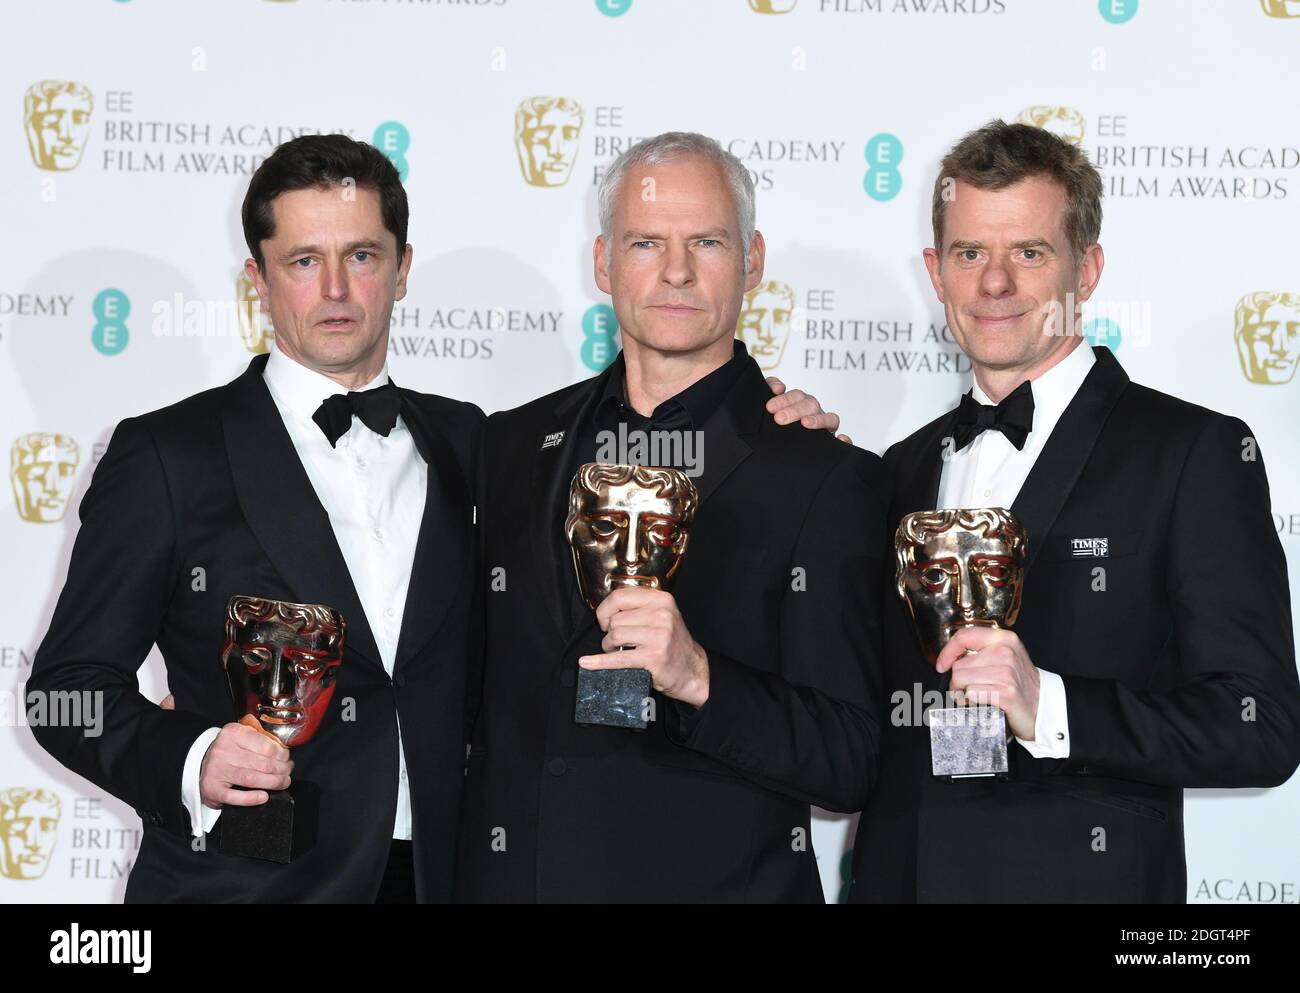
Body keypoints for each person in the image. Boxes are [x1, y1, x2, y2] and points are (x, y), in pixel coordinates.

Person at [28, 134, 839, 904]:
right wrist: (192, 754)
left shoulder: (474, 442)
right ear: (258, 277)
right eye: (304, 261)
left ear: (404, 269)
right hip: (245, 883)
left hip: (443, 881)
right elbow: (65, 690)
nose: (337, 290)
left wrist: (773, 422)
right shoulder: (168, 455)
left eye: (363, 257)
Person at [850, 120, 1300, 903]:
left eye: (1028, 253)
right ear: (935, 270)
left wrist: (1050, 705)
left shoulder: (1192, 454)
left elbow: (1258, 727)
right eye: (969, 254)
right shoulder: (896, 472)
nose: (995, 283)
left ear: (1085, 269)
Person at [455, 132, 890, 903]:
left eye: (708, 242)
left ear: (752, 261)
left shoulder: (828, 476)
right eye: (647, 241)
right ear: (603, 262)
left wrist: (698, 676)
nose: (677, 270)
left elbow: (850, 760)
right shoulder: (509, 444)